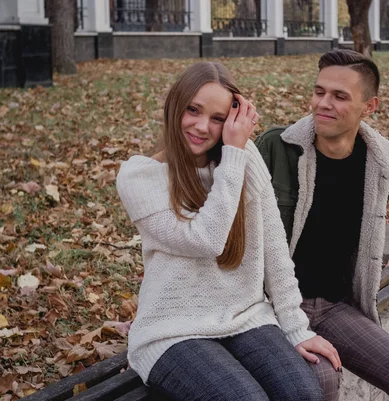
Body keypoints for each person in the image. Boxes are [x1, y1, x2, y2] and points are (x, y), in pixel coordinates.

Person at [116, 61, 341, 401]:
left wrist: (297, 329)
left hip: (245, 316)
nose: (202, 126)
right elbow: (207, 239)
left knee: (305, 393)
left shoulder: (243, 158)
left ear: (233, 120)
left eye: (218, 118)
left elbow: (275, 250)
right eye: (193, 110)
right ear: (175, 106)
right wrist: (234, 154)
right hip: (171, 331)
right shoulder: (141, 177)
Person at [256, 49, 389, 401]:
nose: (323, 103)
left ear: (369, 107)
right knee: (321, 378)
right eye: (319, 91)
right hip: (271, 307)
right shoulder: (277, 148)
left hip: (332, 308)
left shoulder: (381, 165)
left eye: (339, 96)